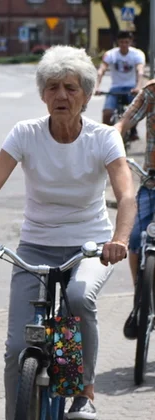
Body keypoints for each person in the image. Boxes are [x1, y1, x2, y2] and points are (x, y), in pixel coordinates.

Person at [0, 46, 133, 420]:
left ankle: (84, 392)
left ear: (86, 96)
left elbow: (125, 194)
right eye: (53, 87)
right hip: (35, 247)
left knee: (78, 297)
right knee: (15, 350)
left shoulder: (103, 137)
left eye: (71, 88)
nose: (61, 96)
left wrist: (119, 239)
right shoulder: (26, 133)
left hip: (90, 246)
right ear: (43, 94)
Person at [114, 80, 155, 338]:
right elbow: (126, 120)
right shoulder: (152, 91)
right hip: (152, 181)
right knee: (136, 238)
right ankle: (140, 301)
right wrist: (111, 136)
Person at [96, 31, 145, 129]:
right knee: (107, 113)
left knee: (136, 112)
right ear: (118, 42)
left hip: (131, 89)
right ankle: (107, 133)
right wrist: (97, 87)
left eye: (126, 42)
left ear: (130, 42)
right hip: (115, 88)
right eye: (121, 42)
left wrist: (138, 87)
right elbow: (101, 70)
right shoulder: (111, 54)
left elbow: (140, 71)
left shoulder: (137, 54)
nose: (124, 45)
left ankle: (133, 131)